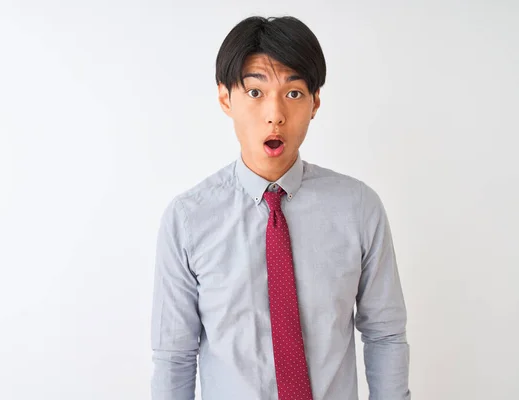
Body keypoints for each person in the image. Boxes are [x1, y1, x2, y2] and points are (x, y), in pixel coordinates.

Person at [150, 15, 410, 400]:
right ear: (226, 98)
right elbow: (175, 357)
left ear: (315, 102)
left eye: (293, 93)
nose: (275, 114)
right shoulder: (187, 220)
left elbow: (385, 335)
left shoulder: (358, 208)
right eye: (255, 93)